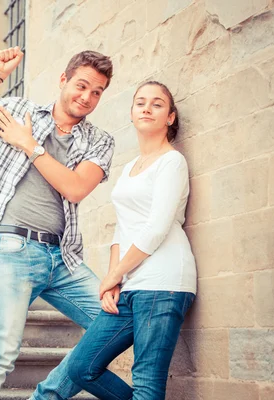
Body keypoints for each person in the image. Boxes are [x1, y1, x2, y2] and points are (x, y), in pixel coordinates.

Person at [0, 46, 115, 400]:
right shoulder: (19, 111)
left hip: (62, 259)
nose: (87, 97)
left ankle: (47, 395)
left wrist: (30, 145)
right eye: (81, 86)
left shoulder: (100, 140)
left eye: (97, 92)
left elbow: (76, 188)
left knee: (116, 323)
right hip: (11, 248)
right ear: (63, 79)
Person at [65, 81, 197, 399]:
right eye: (140, 103)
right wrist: (115, 281)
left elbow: (156, 227)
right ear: (132, 113)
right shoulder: (128, 170)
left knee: (147, 380)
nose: (147, 108)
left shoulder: (172, 162)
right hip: (132, 284)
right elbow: (121, 229)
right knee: (81, 367)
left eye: (157, 104)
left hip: (165, 281)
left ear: (170, 117)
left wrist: (114, 274)